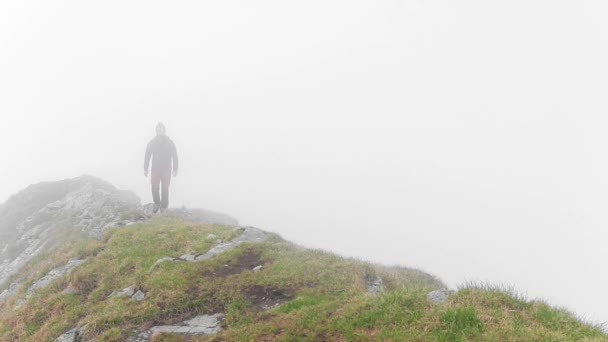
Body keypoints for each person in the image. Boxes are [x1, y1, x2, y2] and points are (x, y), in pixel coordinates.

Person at [144, 122, 179, 213]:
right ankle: (156, 203)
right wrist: (145, 168)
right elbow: (147, 155)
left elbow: (175, 155)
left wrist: (175, 168)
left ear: (164, 130)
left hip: (166, 169)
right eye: (158, 130)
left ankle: (164, 207)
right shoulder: (152, 142)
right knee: (154, 187)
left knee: (165, 188)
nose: (160, 131)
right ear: (156, 131)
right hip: (155, 169)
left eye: (161, 129)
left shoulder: (170, 142)